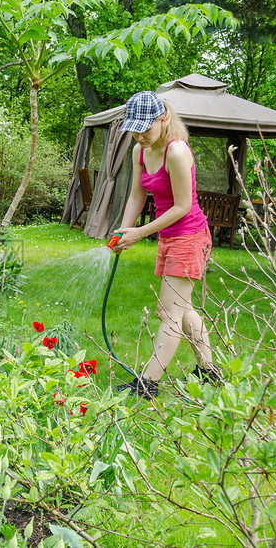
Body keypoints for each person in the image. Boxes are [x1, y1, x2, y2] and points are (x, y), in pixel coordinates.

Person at [110, 91, 221, 399]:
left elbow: (182, 206)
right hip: (169, 237)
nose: (139, 134)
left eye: (145, 127)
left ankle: (148, 384)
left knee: (168, 312)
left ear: (163, 119)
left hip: (190, 236)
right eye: (134, 128)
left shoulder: (176, 152)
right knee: (182, 309)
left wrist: (141, 232)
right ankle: (209, 371)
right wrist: (124, 230)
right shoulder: (139, 151)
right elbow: (137, 196)